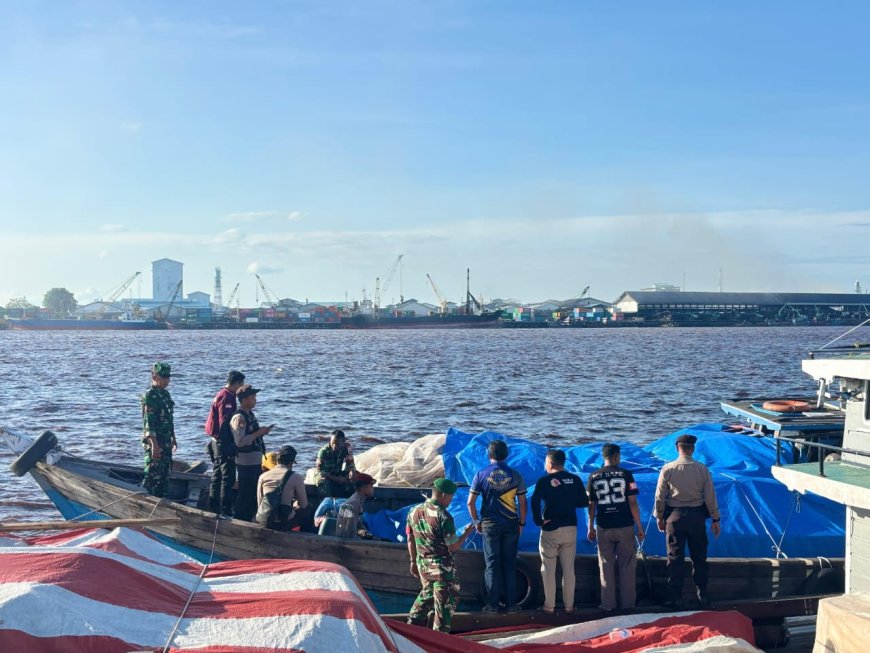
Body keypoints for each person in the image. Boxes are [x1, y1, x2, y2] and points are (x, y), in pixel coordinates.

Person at [654, 433, 721, 608]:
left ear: (677, 448)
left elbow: (659, 496)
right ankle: (702, 594)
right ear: (693, 449)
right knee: (699, 556)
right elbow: (710, 496)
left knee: (675, 556)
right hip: (696, 516)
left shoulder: (668, 469)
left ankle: (675, 596)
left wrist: (659, 517)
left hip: (674, 517)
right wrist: (715, 518)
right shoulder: (702, 469)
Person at [407, 478, 475, 632]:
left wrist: (413, 562)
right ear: (444, 495)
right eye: (450, 497)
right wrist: (466, 533)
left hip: (423, 567)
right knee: (443, 614)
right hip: (442, 572)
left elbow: (410, 539)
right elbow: (453, 547)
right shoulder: (443, 516)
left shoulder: (413, 512)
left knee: (424, 601)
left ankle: (409, 632)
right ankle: (439, 642)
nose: (450, 501)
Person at [467, 440, 527, 613]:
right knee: (509, 564)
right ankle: (511, 606)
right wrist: (522, 523)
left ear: (489, 455)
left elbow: (470, 503)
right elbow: (523, 504)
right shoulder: (516, 475)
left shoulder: (480, 474)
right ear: (507, 455)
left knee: (492, 564)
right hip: (510, 524)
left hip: (489, 525)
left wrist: (477, 522)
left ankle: (492, 605)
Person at [587, 443, 645, 612]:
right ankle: (628, 605)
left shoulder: (593, 476)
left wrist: (590, 526)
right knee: (627, 565)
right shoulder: (627, 475)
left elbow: (591, 504)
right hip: (624, 525)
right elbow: (633, 502)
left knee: (605, 565)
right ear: (614, 457)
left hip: (603, 526)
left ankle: (608, 605)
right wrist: (639, 527)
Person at [531, 449, 589, 613]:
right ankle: (569, 606)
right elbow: (584, 502)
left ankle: (549, 606)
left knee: (548, 568)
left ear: (550, 463)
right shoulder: (575, 479)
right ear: (563, 463)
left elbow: (535, 502)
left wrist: (538, 521)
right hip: (570, 527)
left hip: (550, 528)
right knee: (569, 569)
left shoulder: (544, 481)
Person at [230, 384, 273, 521]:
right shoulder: (239, 418)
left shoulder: (249, 415)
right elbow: (240, 441)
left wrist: (262, 432)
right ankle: (239, 519)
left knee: (252, 492)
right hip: (245, 461)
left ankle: (247, 517)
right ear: (244, 400)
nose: (255, 400)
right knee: (245, 493)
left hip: (254, 460)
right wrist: (258, 433)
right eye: (252, 397)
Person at [204, 370, 245, 516]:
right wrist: (230, 444)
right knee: (227, 477)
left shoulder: (222, 393)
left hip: (216, 441)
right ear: (237, 383)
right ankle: (225, 509)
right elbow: (224, 422)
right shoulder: (227, 397)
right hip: (222, 442)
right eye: (242, 384)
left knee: (217, 474)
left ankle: (214, 505)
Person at [256, 445, 313, 532]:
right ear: (291, 463)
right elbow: (303, 505)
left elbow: (260, 502)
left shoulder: (263, 476)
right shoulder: (296, 477)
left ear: (277, 461)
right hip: (282, 523)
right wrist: (295, 504)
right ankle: (304, 536)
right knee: (309, 508)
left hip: (265, 521)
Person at [141, 361, 176, 497]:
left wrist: (174, 438)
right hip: (156, 443)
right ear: (155, 377)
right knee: (152, 474)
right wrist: (154, 445)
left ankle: (161, 501)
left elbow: (169, 419)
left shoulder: (166, 395)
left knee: (165, 475)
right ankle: (145, 501)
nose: (167, 380)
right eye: (163, 377)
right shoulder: (150, 396)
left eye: (168, 377)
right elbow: (148, 423)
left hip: (166, 441)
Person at [315, 429, 355, 498]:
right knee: (324, 484)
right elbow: (321, 472)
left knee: (357, 478)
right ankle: (327, 505)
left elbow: (350, 465)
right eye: (332, 443)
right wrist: (337, 479)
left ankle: (349, 504)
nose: (334, 446)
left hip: (337, 473)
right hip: (325, 476)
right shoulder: (323, 451)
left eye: (337, 444)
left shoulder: (346, 449)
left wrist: (351, 472)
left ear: (343, 443)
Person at [343, 472, 376, 538]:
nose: (373, 489)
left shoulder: (359, 500)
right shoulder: (353, 503)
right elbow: (348, 531)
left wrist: (368, 534)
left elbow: (357, 522)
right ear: (363, 487)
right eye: (371, 486)